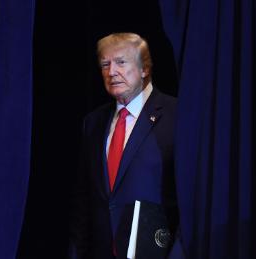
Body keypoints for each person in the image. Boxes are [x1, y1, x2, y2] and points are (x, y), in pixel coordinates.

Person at [70, 32, 184, 259]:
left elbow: (189, 197)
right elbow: (84, 201)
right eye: (105, 64)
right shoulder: (93, 123)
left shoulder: (176, 115)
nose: (111, 72)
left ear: (144, 69)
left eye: (121, 62)